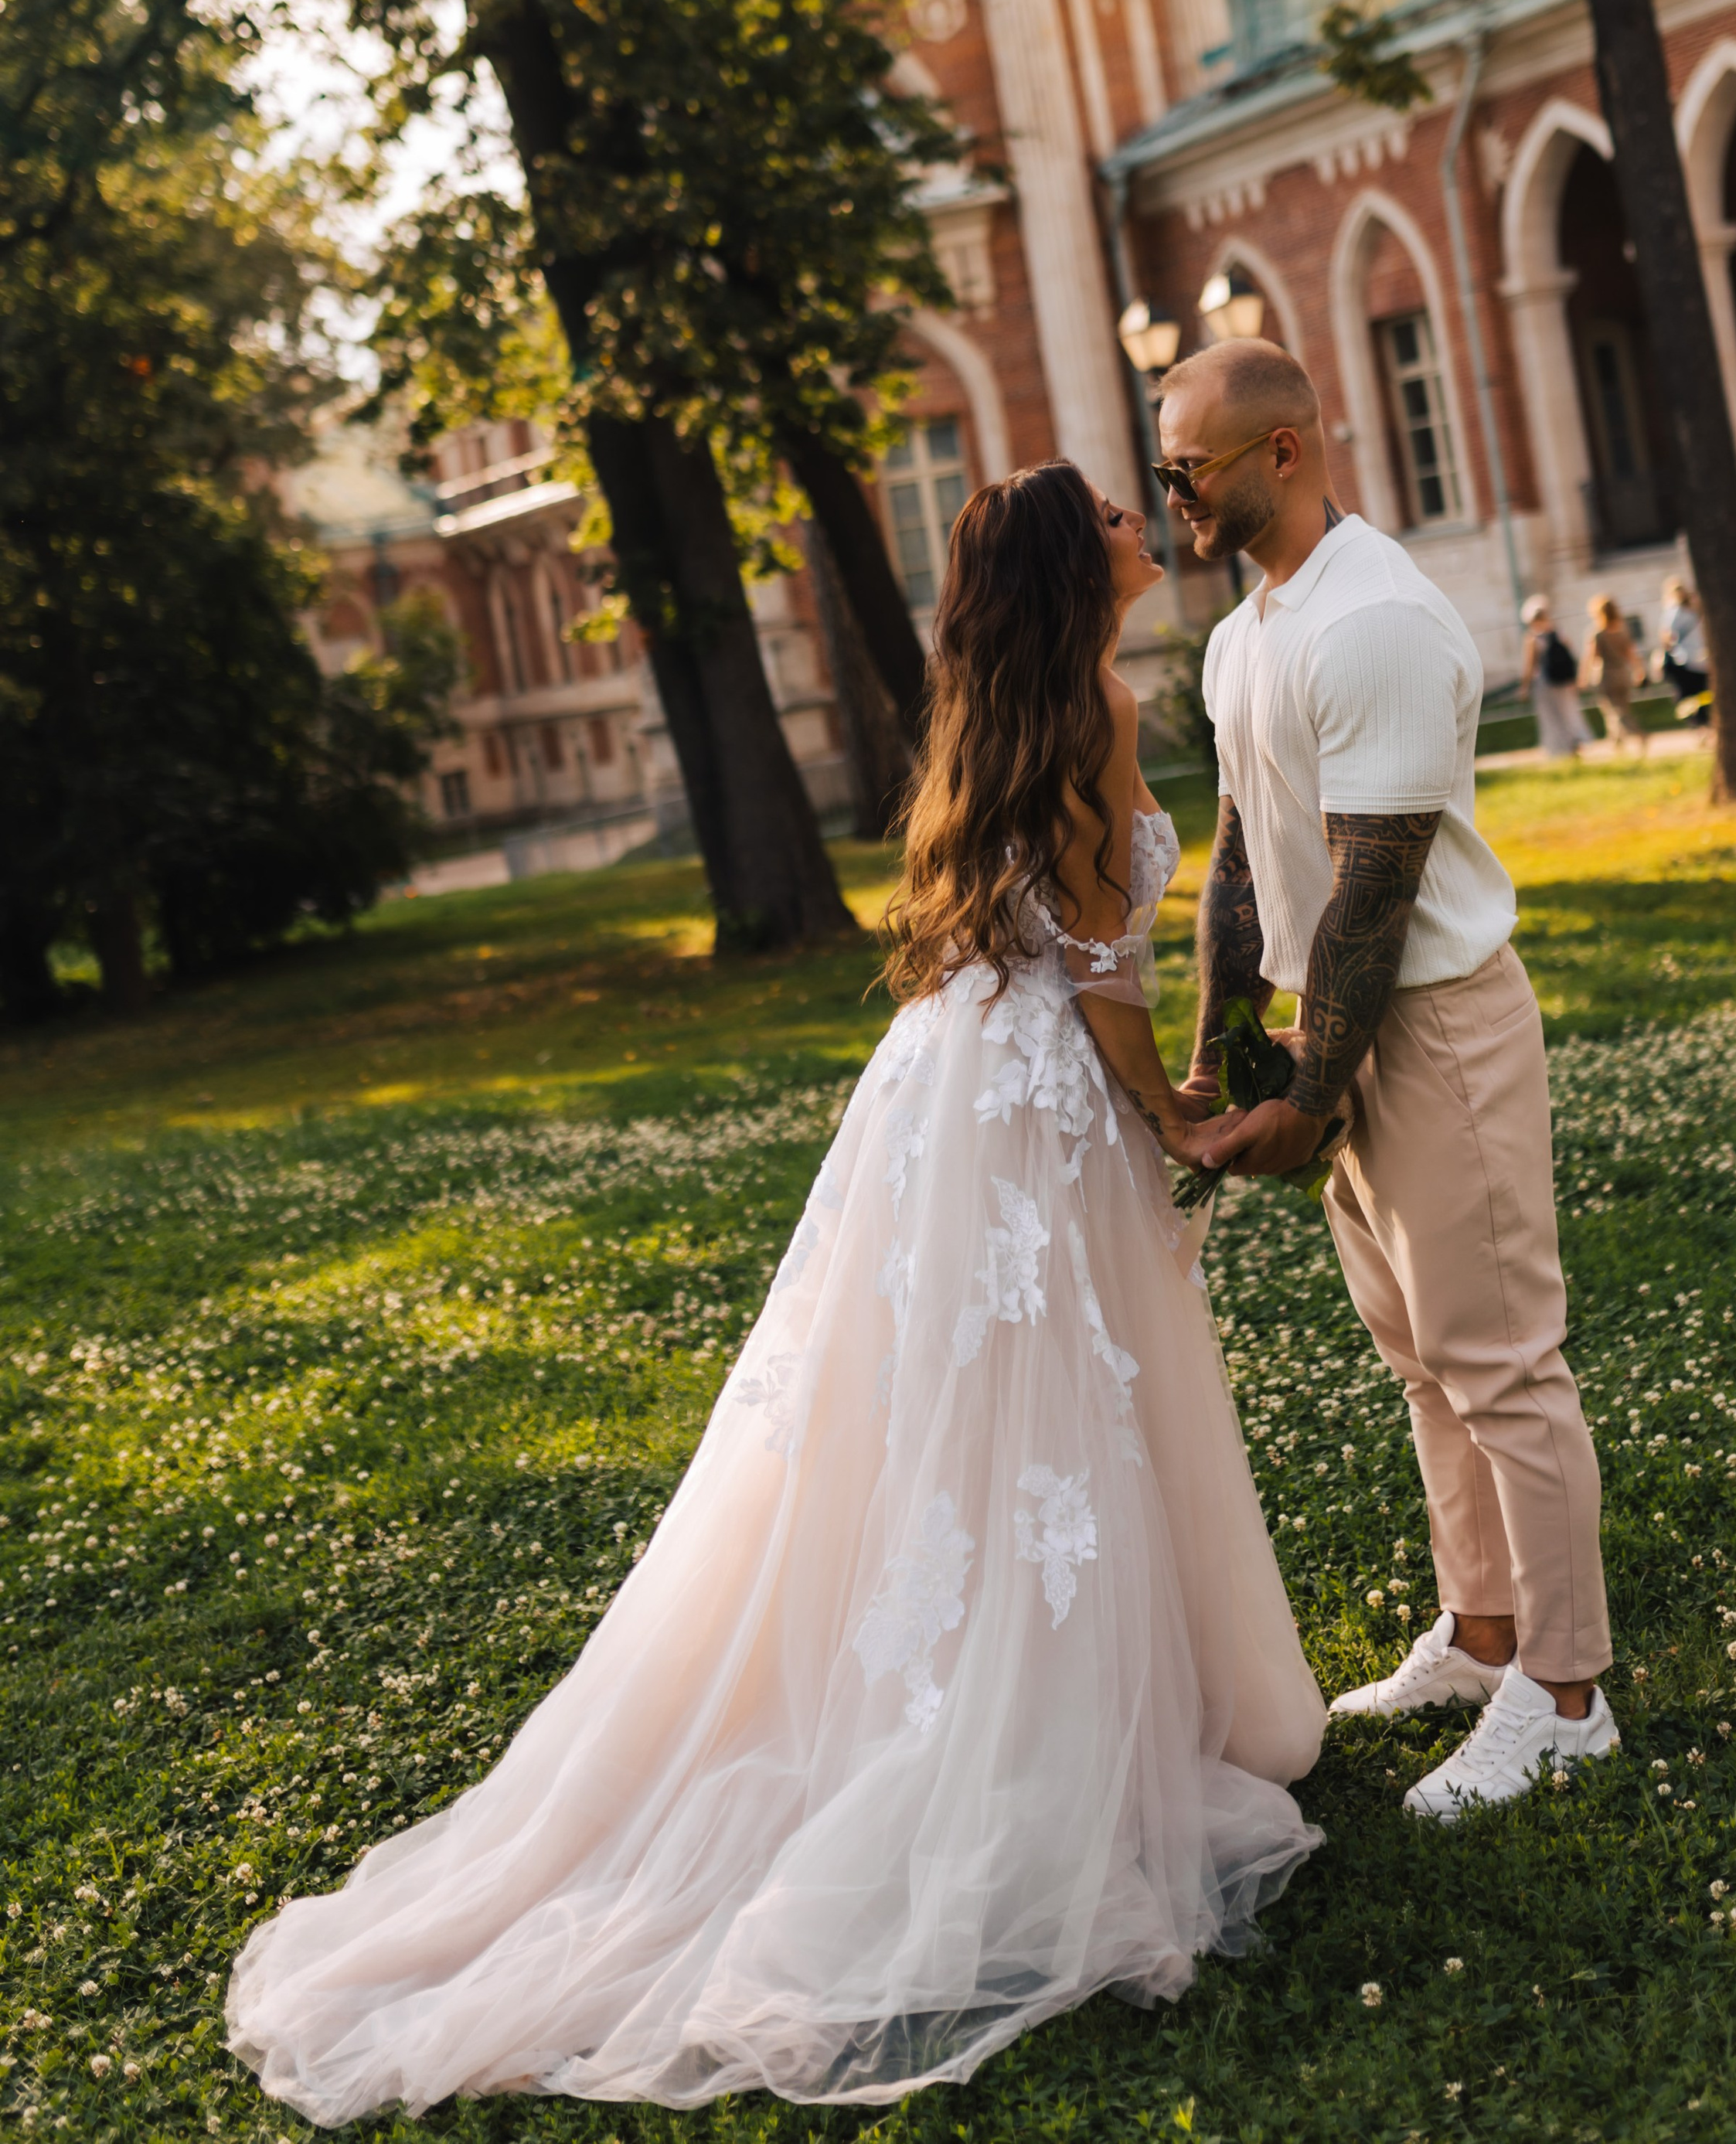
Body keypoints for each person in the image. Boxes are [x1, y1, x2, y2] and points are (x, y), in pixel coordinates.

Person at [228, 463, 1326, 2125]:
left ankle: (1007, 1703)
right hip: (1029, 1102)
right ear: (1065, 563)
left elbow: (1048, 937)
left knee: (958, 1432)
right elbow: (1103, 974)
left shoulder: (1007, 709)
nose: (1133, 520)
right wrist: (1169, 1114)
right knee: (1037, 1427)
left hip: (947, 1083)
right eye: (1108, 511)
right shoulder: (1093, 709)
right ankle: (1022, 1757)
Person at [1156, 340, 1615, 1821]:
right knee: (1423, 1359)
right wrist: (1228, 1042)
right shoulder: (1247, 637)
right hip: (1329, 1023)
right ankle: (1482, 1641)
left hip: (1432, 1023)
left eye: (1191, 471)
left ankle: (1565, 1696)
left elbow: (1374, 893)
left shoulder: (1383, 624)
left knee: (1501, 1362)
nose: (1174, 499)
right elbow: (1242, 856)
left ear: (1283, 454)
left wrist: (1312, 1090)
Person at [1518, 593, 1585, 761]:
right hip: (1564, 680)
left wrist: (1525, 687)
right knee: (1568, 711)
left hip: (1545, 682)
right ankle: (1573, 741)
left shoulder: (1533, 638)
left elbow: (1530, 664)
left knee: (1551, 715)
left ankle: (1560, 747)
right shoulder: (1558, 632)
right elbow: (1571, 654)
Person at [1581, 594, 1648, 755]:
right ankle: (1616, 744)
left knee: (1615, 712)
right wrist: (1639, 671)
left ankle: (1639, 734)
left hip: (1606, 675)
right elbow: (1632, 654)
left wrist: (1583, 677)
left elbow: (1591, 657)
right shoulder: (1623, 631)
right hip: (1623, 673)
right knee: (1621, 709)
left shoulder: (1597, 633)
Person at [1657, 577, 1710, 723]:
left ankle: (1698, 725)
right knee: (1703, 693)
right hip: (1702, 658)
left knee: (1687, 695)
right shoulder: (1696, 611)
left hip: (1684, 659)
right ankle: (1705, 723)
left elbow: (1666, 637)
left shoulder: (1674, 612)